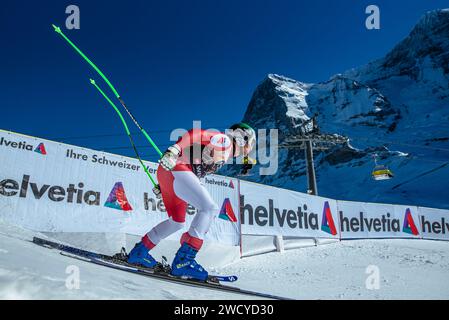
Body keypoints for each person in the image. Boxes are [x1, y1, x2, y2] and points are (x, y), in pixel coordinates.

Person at [127, 123, 256, 281]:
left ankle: (139, 253)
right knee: (209, 208)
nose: (250, 149)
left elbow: (196, 168)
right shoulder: (225, 141)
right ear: (242, 139)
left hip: (172, 173)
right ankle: (184, 261)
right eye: (251, 143)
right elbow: (196, 133)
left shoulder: (225, 153)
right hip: (177, 167)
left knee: (176, 222)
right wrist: (175, 149)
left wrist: (166, 184)